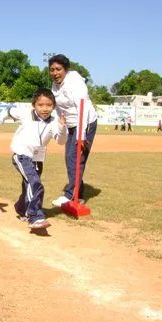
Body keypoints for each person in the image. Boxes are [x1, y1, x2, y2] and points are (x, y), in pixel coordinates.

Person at [0, 88, 67, 230]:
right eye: (40, 105)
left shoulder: (54, 121)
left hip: (38, 158)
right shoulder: (25, 113)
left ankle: (21, 208)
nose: (45, 108)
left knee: (29, 185)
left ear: (54, 106)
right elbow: (7, 112)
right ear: (34, 105)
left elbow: (61, 141)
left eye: (49, 105)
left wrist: (62, 127)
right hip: (21, 155)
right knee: (35, 183)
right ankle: (35, 217)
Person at [48, 54, 98, 207]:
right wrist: (60, 125)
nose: (55, 73)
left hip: (85, 122)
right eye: (52, 70)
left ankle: (70, 195)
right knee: (69, 158)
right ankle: (78, 194)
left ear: (66, 69)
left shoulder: (75, 83)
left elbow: (83, 108)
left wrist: (82, 135)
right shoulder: (55, 86)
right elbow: (57, 108)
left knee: (75, 158)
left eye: (58, 69)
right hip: (70, 124)